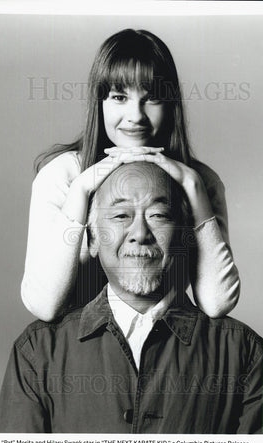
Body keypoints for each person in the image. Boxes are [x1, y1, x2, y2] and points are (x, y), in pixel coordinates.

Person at [0, 162, 263, 434]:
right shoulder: (37, 352)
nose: (140, 233)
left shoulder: (246, 355)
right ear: (92, 240)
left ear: (186, 238)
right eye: (121, 215)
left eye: (158, 215)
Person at [21, 28, 240, 321]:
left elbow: (217, 303)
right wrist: (82, 189)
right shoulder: (63, 175)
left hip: (167, 347)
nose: (135, 115)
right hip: (79, 350)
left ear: (170, 104)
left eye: (151, 99)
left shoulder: (199, 181)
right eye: (119, 97)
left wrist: (192, 186)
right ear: (100, 102)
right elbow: (43, 305)